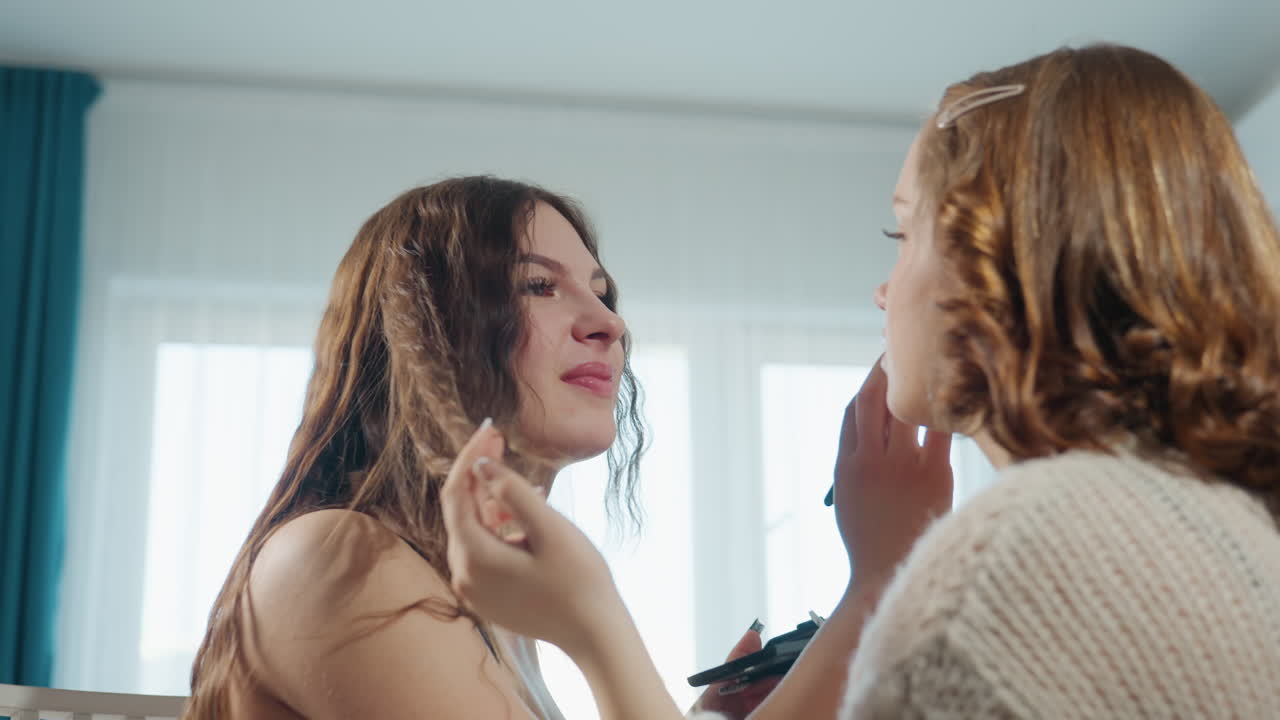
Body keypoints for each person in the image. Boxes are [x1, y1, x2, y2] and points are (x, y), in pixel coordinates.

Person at [441, 44, 1280, 719]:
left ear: (1003, 258)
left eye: (903, 232)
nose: (885, 288)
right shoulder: (1209, 523)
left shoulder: (1017, 560)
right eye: (539, 285)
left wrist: (593, 626)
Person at [183, 176, 654, 719]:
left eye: (599, 291)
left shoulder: (485, 602)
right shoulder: (340, 559)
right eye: (538, 287)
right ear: (426, 336)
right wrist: (600, 623)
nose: (609, 322)